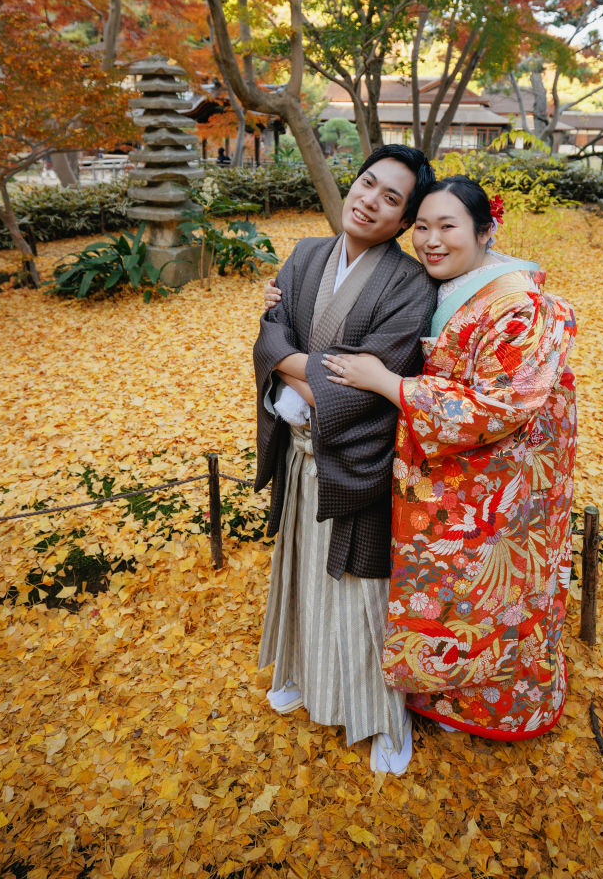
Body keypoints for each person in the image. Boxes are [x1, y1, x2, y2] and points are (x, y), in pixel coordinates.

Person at [319, 176, 577, 740]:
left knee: (494, 596)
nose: (431, 240)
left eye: (448, 226)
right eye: (422, 227)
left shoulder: (520, 304)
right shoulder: (455, 282)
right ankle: (437, 696)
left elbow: (499, 406)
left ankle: (494, 710)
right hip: (455, 474)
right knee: (451, 596)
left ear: (486, 230)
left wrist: (391, 384)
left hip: (499, 484)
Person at [253, 144, 437, 775]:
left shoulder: (411, 284)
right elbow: (269, 333)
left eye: (392, 198)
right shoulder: (306, 255)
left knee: (363, 590)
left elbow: (373, 384)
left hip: (353, 456)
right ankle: (304, 673)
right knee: (303, 570)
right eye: (367, 184)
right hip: (303, 456)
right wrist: (300, 364)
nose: (371, 201)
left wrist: (289, 363)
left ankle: (385, 720)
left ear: (404, 221)